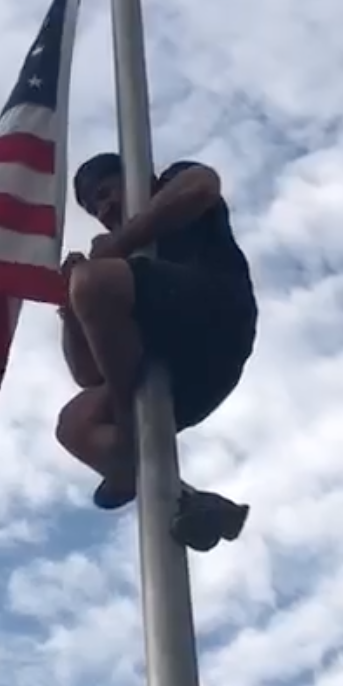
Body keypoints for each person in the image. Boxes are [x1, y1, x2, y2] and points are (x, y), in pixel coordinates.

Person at [56, 152, 256, 551]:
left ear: (135, 177)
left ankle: (129, 430)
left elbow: (203, 185)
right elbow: (87, 373)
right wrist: (70, 311)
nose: (105, 207)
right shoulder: (118, 266)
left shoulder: (173, 183)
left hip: (214, 319)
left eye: (107, 192)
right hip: (169, 367)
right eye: (95, 206)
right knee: (74, 424)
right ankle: (183, 496)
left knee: (94, 283)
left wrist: (117, 245)